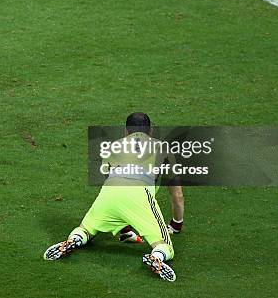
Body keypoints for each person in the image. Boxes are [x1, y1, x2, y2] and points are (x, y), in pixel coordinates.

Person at [43, 113, 180, 282]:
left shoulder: (114, 147)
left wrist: (122, 223)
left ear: (125, 131)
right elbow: (177, 195)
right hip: (138, 197)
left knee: (86, 229)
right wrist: (176, 224)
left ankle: (74, 239)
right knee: (164, 245)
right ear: (150, 131)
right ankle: (157, 257)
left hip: (109, 194)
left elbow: (109, 177)